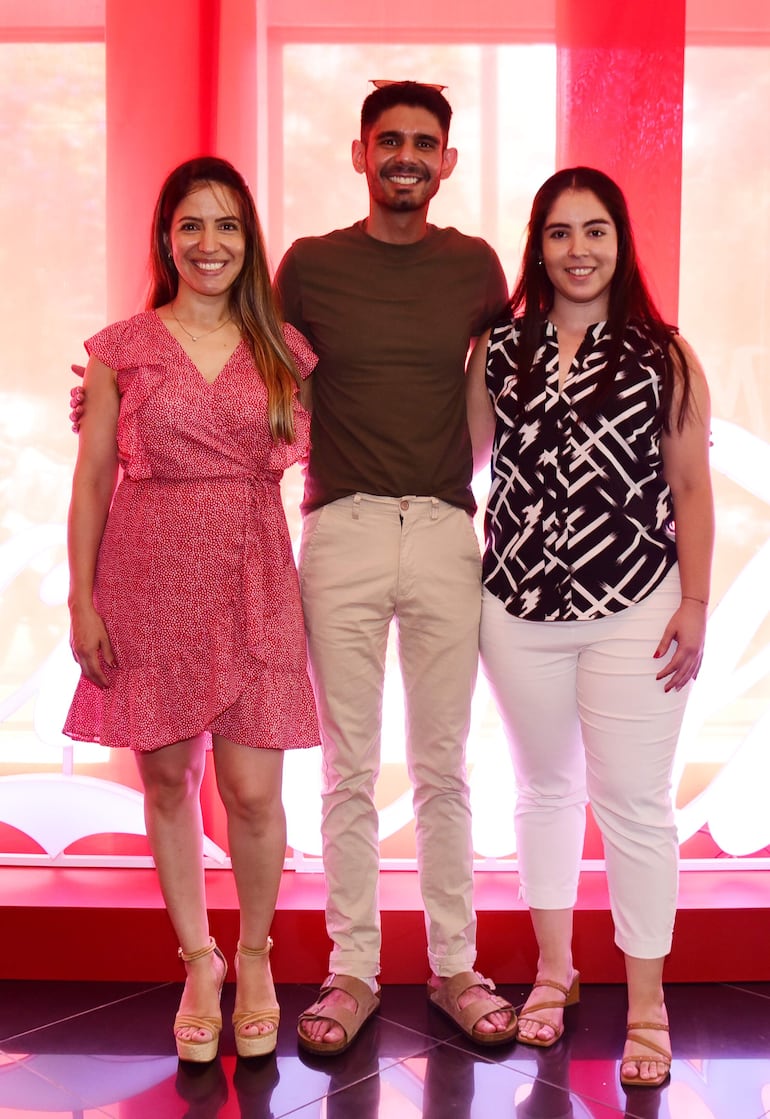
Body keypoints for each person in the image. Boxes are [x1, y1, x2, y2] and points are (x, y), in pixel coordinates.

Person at [274, 80, 517, 1053]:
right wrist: (121, 391)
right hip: (339, 528)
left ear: (446, 162)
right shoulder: (309, 266)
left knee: (443, 769)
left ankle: (454, 965)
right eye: (389, 141)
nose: (405, 155)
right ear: (359, 154)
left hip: (446, 531)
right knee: (344, 767)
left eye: (423, 142)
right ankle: (350, 972)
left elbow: (504, 381)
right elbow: (249, 360)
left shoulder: (475, 267)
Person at [64, 156, 319, 1063]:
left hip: (253, 572)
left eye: (228, 227)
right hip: (147, 574)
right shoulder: (119, 348)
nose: (209, 244)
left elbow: (330, 445)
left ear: (250, 243)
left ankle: (256, 957)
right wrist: (81, 597)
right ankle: (199, 962)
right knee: (168, 782)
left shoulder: (287, 351)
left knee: (253, 791)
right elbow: (94, 477)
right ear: (167, 238)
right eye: (192, 226)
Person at [466, 167, 714, 1086]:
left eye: (596, 231)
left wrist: (692, 604)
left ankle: (647, 1003)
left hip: (638, 606)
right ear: (538, 245)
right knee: (542, 793)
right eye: (561, 232)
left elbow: (690, 488)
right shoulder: (498, 350)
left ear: (621, 242)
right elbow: (456, 457)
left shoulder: (664, 353)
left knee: (637, 806)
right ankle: (554, 971)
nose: (579, 250)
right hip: (516, 609)